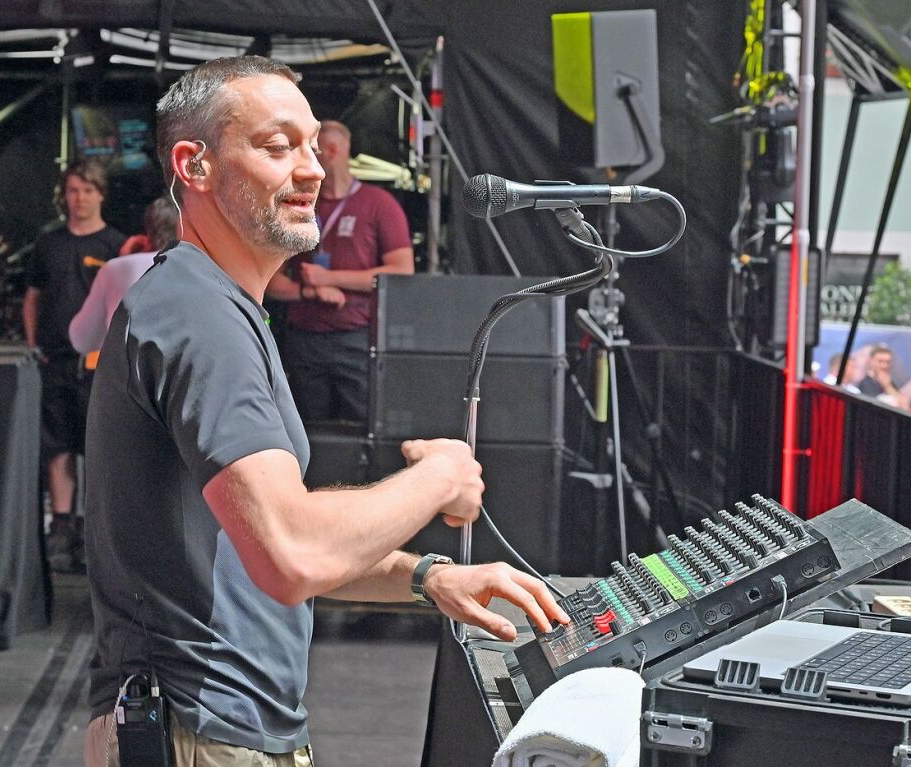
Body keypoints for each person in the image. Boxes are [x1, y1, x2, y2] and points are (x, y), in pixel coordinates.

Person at [82, 56, 567, 767]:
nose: (310, 169)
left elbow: (261, 537)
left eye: (312, 145)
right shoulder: (199, 314)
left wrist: (426, 575)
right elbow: (292, 550)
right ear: (196, 165)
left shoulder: (215, 305)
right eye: (278, 147)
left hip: (216, 733)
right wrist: (440, 477)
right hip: (201, 735)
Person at [266, 119, 414, 423]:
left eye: (312, 150)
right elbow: (270, 280)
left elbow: (401, 272)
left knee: (361, 424)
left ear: (331, 151)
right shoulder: (299, 203)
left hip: (356, 338)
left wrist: (331, 279)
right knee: (306, 429)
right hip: (304, 340)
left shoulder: (378, 204)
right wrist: (310, 291)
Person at [22, 159, 125, 572]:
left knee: (97, 447)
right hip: (55, 360)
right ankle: (61, 526)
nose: (79, 199)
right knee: (57, 444)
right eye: (72, 191)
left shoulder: (116, 244)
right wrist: (34, 345)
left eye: (86, 190)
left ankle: (94, 528)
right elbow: (33, 297)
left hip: (99, 365)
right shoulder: (48, 244)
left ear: (100, 194)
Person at [69, 196, 178, 355]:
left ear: (148, 231)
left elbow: (82, 340)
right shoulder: (206, 267)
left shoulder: (116, 269)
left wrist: (122, 261)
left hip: (132, 376)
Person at [857, 343, 909, 409]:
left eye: (888, 362)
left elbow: (905, 406)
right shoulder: (866, 384)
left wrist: (888, 386)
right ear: (871, 361)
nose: (884, 366)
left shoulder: (889, 382)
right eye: (880, 361)